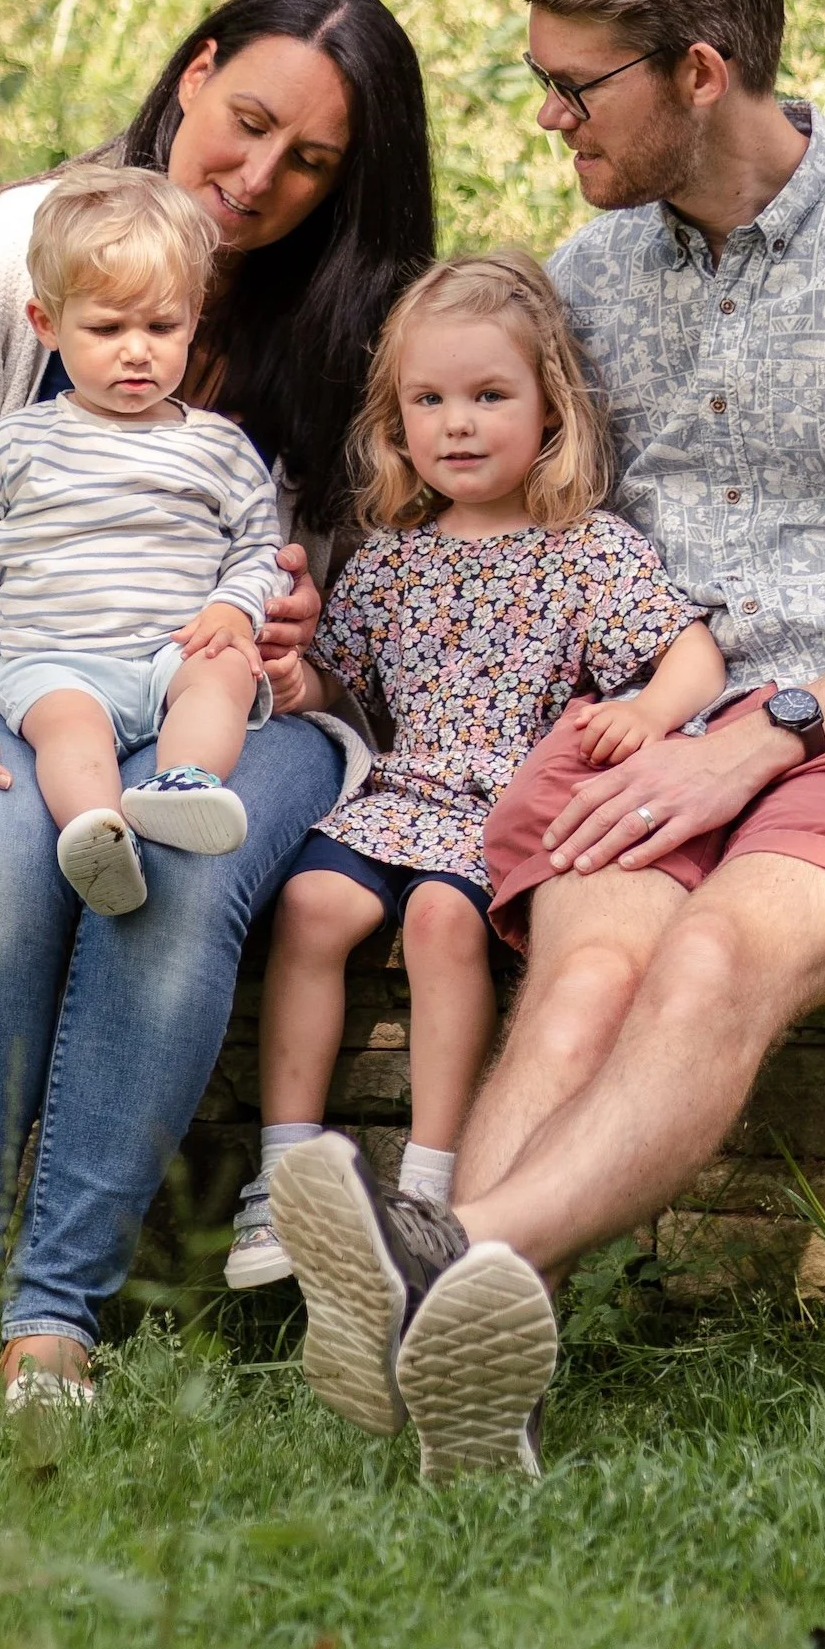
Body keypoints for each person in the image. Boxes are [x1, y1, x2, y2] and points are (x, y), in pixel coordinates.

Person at [269, 0, 825, 1482]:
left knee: (713, 962)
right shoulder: (593, 278)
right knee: (575, 983)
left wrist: (770, 731)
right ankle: (479, 1398)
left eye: (578, 86)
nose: (551, 115)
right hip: (647, 721)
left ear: (702, 71)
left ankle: (436, 1256)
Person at [0, 0, 435, 1415]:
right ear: (195, 71)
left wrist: (297, 648)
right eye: (248, 119)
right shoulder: (7, 256)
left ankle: (56, 1322)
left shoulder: (356, 321)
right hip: (9, 682)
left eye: (311, 161)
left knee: (175, 865)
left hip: (230, 706)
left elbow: (363, 615)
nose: (258, 176)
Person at [235, 253, 723, 1359]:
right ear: (395, 419)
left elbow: (689, 656)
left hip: (500, 807)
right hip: (396, 791)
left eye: (489, 396)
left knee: (442, 921)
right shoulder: (385, 562)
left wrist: (649, 718)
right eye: (429, 401)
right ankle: (279, 1166)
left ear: (549, 407)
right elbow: (345, 687)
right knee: (310, 908)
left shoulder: (584, 549)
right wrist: (295, 682)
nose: (457, 425)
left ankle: (430, 1180)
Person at [0, 169, 288, 913]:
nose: (136, 352)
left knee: (225, 674)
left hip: (169, 651)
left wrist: (234, 610)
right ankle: (98, 833)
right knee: (69, 731)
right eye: (106, 329)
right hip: (54, 657)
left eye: (161, 327)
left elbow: (259, 548)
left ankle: (182, 784)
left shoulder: (218, 448)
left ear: (194, 321)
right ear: (47, 324)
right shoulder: (13, 446)